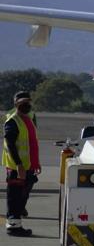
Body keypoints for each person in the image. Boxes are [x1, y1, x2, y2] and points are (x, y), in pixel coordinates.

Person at [4, 91, 40, 237]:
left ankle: (16, 224)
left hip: (28, 167)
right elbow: (10, 144)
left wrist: (36, 163)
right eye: (23, 103)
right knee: (14, 198)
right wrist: (18, 165)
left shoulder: (28, 119)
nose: (26, 105)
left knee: (22, 197)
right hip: (17, 168)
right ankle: (13, 227)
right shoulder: (13, 121)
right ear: (16, 104)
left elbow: (32, 144)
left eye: (28, 103)